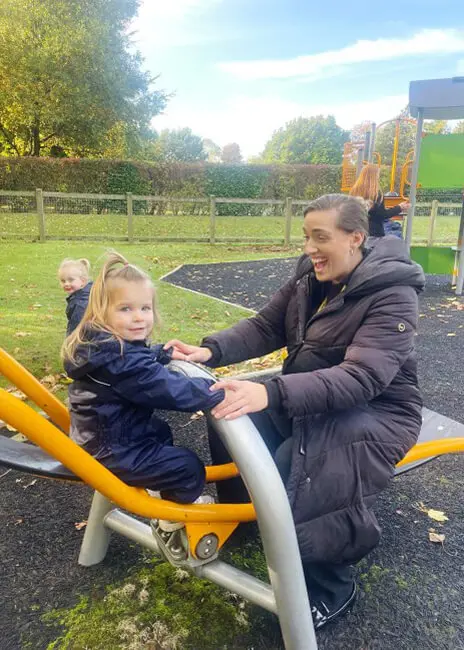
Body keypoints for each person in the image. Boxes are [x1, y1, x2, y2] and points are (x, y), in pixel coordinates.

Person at [165, 194, 425, 630]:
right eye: (306, 236)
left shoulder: (393, 294)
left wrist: (272, 394)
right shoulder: (310, 276)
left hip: (378, 413)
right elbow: (266, 325)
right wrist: (212, 349)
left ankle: (330, 586)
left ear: (355, 238)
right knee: (229, 413)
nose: (309, 248)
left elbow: (363, 378)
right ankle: (248, 515)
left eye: (320, 237)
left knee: (305, 462)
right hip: (307, 398)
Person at [61, 252, 224, 508]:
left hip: (100, 437)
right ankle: (174, 515)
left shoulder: (102, 346)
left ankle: (160, 485)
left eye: (145, 308)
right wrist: (217, 390)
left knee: (160, 431)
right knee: (189, 467)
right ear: (101, 313)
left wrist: (162, 353)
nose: (138, 317)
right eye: (126, 309)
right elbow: (170, 390)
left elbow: (137, 360)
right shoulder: (122, 359)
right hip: (110, 451)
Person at [349, 164, 410, 238]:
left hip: (358, 230)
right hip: (374, 233)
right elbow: (382, 215)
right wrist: (400, 207)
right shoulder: (375, 193)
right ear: (374, 177)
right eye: (378, 175)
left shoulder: (354, 191)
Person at [58, 258, 93, 335]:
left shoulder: (79, 304)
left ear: (83, 281)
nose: (66, 284)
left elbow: (75, 329)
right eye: (63, 281)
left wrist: (69, 343)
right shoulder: (89, 293)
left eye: (71, 280)